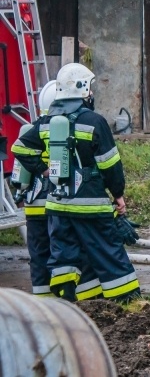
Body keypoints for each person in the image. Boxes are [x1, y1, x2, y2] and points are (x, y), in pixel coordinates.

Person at [12, 63, 140, 302]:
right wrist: (118, 195)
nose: (91, 93)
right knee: (107, 251)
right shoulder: (94, 121)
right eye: (89, 87)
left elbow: (19, 147)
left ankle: (69, 302)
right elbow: (110, 165)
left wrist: (43, 170)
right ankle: (128, 301)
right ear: (82, 89)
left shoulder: (47, 122)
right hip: (91, 204)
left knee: (65, 256)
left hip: (57, 207)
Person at [12, 80, 102, 300]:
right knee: (69, 251)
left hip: (34, 203)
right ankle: (79, 300)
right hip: (57, 201)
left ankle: (44, 302)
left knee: (39, 254)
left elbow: (20, 152)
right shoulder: (64, 127)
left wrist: (41, 170)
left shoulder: (36, 126)